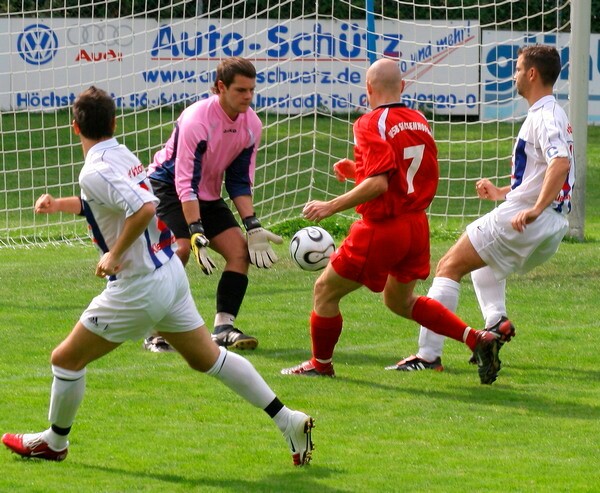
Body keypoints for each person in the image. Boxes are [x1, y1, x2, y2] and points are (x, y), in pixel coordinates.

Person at [1, 86, 314, 467]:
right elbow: (105, 202)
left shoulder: (94, 170)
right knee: (209, 358)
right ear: (115, 123)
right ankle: (288, 419)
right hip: (169, 274)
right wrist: (59, 205)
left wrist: (114, 254)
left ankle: (54, 442)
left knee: (65, 360)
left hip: (139, 286)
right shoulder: (121, 154)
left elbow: (145, 208)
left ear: (74, 127)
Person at [280, 58, 515, 385]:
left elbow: (379, 184)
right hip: (416, 226)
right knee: (399, 300)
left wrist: (331, 206)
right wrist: (357, 171)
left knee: (324, 291)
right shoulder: (419, 120)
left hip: (382, 228)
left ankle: (321, 364)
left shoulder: (369, 122)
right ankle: (476, 338)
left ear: (368, 89)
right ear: (402, 87)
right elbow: (403, 174)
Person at [390, 44, 574, 379]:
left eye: (518, 69)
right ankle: (496, 322)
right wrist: (502, 192)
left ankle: (428, 355)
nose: (515, 75)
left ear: (532, 74)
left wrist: (534, 209)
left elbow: (560, 164)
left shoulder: (545, 115)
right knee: (483, 262)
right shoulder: (553, 113)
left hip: (530, 218)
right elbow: (541, 173)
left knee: (448, 266)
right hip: (552, 224)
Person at [144, 56, 282, 352]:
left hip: (205, 193)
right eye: (241, 90)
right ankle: (155, 330)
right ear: (221, 87)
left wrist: (253, 225)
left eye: (251, 90)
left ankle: (223, 327)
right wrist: (195, 230)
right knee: (179, 250)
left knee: (240, 252)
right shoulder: (197, 119)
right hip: (167, 187)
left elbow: (239, 181)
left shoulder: (252, 124)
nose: (248, 97)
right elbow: (184, 180)